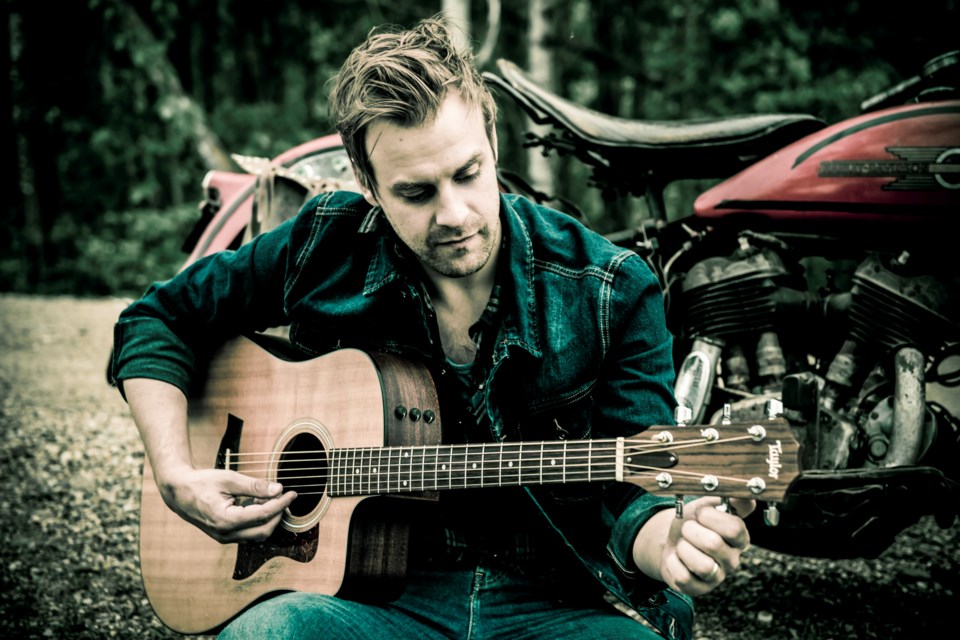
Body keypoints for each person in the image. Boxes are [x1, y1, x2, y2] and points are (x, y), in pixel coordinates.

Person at [111, 15, 753, 640]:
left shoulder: (611, 288)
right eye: (416, 192)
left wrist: (671, 541)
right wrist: (176, 475)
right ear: (366, 184)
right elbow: (157, 319)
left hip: (550, 602)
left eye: (469, 174)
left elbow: (634, 489)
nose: (454, 213)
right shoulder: (323, 243)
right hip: (361, 601)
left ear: (494, 145)